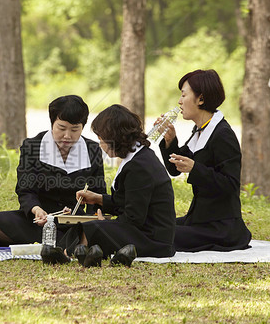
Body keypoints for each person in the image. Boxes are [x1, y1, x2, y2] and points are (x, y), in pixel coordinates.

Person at [51, 104, 176, 267]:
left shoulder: (140, 166)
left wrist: (107, 224)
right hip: (144, 231)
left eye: (101, 139)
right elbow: (126, 202)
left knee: (96, 226)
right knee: (90, 223)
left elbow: (133, 218)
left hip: (154, 240)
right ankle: (74, 252)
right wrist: (97, 199)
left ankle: (70, 254)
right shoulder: (136, 157)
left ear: (115, 138)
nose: (101, 144)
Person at [0, 95, 107, 245]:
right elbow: (26, 190)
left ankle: (73, 241)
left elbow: (99, 192)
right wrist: (36, 209)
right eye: (61, 128)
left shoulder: (92, 149)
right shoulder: (32, 146)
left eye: (75, 129)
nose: (67, 136)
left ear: (82, 127)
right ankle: (70, 244)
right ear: (52, 124)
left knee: (88, 232)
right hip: (39, 221)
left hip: (76, 223)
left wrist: (92, 216)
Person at [156, 68, 252, 252]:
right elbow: (175, 169)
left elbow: (231, 185)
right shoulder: (200, 130)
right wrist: (170, 140)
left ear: (201, 99)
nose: (179, 101)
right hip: (199, 219)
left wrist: (195, 169)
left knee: (161, 234)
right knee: (154, 225)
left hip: (221, 227)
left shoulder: (222, 135)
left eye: (184, 95)